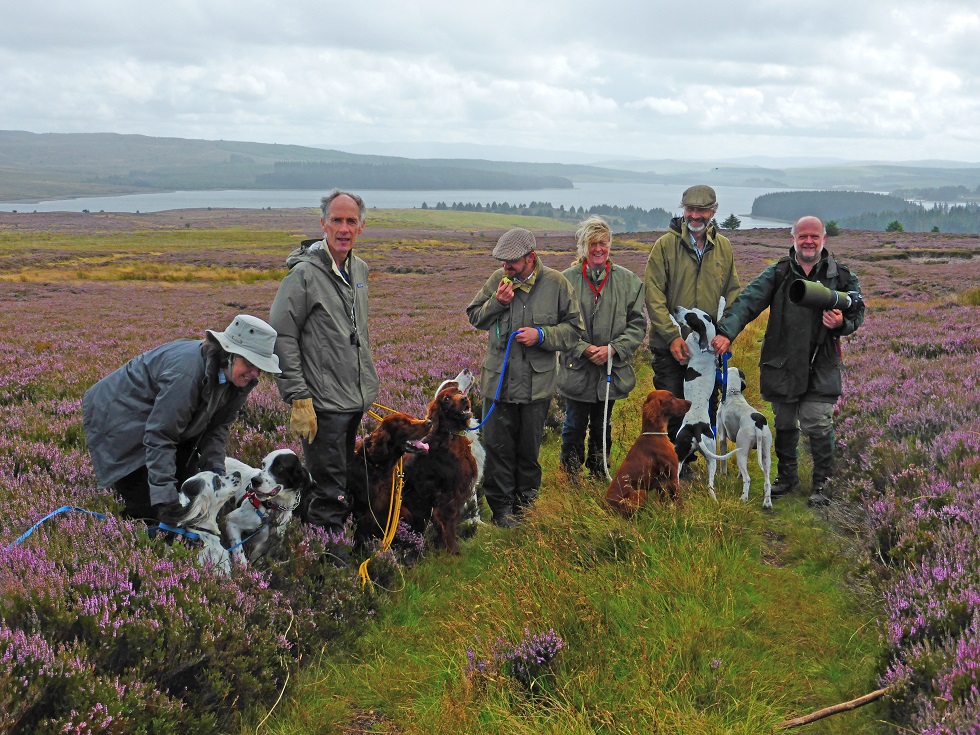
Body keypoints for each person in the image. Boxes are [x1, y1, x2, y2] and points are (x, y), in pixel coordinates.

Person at [711, 216, 865, 507]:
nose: (809, 241)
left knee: (816, 421)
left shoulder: (841, 276)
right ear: (793, 238)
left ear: (824, 240)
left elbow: (858, 311)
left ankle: (823, 482)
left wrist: (842, 323)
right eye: (803, 236)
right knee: (783, 420)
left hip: (822, 361)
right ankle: (786, 477)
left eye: (814, 236)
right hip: (782, 360)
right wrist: (726, 332)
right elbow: (747, 302)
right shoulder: (778, 273)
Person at [82, 315, 281, 520]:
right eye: (249, 362)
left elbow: (216, 429)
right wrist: (166, 499)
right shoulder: (186, 374)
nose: (255, 372)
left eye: (260, 366)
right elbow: (161, 435)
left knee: (188, 495)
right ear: (229, 353)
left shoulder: (241, 379)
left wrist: (217, 474)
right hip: (119, 416)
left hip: (163, 421)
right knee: (151, 511)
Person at [269, 190, 379, 534]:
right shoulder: (303, 275)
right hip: (322, 405)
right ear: (323, 224)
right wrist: (298, 397)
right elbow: (282, 336)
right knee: (329, 489)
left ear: (361, 227)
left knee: (343, 480)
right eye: (336, 220)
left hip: (352, 400)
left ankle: (329, 546)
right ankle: (325, 566)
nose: (343, 228)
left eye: (351, 221)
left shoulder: (358, 268)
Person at [466, 228, 583, 527]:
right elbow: (475, 316)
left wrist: (542, 335)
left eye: (512, 262)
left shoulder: (557, 283)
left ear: (531, 258)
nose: (506, 267)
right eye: (502, 261)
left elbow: (574, 331)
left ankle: (526, 508)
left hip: (536, 386)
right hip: (498, 384)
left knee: (528, 451)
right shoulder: (497, 280)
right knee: (498, 449)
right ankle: (501, 511)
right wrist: (497, 303)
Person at [644, 184, 741, 440]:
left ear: (713, 211)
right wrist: (671, 336)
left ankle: (695, 460)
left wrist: (725, 334)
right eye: (690, 209)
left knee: (704, 406)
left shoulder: (724, 248)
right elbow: (654, 295)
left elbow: (733, 293)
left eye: (702, 210)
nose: (695, 216)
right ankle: (671, 467)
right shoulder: (664, 246)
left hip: (707, 350)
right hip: (670, 348)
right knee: (672, 407)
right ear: (683, 210)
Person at [557, 216, 647, 480]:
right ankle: (569, 475)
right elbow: (558, 324)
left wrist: (613, 349)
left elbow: (637, 325)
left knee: (602, 424)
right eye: (593, 243)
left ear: (610, 245)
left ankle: (599, 471)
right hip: (577, 368)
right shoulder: (565, 281)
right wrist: (583, 348)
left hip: (611, 368)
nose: (599, 249)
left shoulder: (629, 281)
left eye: (604, 243)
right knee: (573, 424)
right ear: (583, 247)